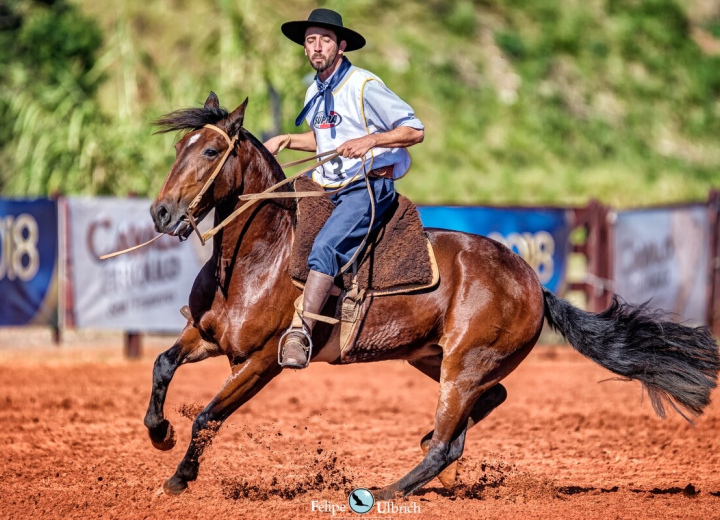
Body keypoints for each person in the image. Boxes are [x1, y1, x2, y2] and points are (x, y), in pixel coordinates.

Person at [264, 8, 424, 369]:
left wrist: (371, 141)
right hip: (328, 187)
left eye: (324, 39)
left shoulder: (364, 85)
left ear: (341, 46)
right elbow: (327, 141)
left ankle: (301, 332)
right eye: (310, 41)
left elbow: (415, 129)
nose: (316, 46)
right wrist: (288, 138)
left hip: (367, 186)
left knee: (324, 246)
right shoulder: (315, 88)